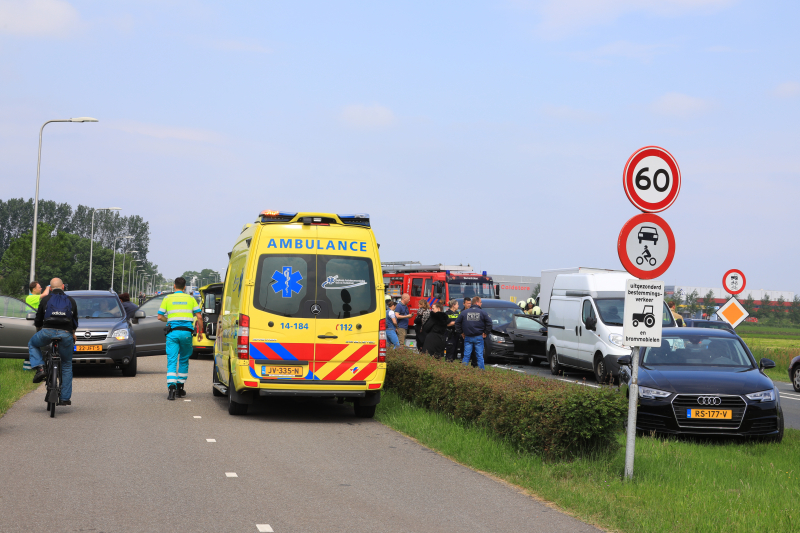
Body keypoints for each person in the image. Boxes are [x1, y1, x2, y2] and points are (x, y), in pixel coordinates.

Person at [28, 278, 78, 406]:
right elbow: (75, 321)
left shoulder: (45, 299)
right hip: (65, 334)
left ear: (50, 288)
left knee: (33, 344)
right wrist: (73, 334)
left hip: (47, 332)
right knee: (66, 364)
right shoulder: (71, 301)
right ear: (63, 287)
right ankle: (65, 398)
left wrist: (39, 329)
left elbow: (38, 319)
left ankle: (40, 368)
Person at [157, 277, 203, 400]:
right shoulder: (191, 298)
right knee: (184, 359)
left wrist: (170, 320)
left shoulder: (167, 298)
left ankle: (171, 388)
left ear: (174, 286)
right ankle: (180, 387)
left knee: (172, 360)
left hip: (172, 333)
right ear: (184, 287)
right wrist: (200, 332)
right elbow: (199, 316)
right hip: (187, 333)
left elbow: (159, 317)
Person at [455, 296, 492, 370]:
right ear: (477, 302)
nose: (481, 304)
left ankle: (463, 371)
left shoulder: (464, 312)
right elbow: (489, 323)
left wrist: (461, 332)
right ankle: (481, 371)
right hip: (479, 336)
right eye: (480, 302)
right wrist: (486, 332)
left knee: (466, 356)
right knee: (479, 356)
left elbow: (457, 323)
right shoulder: (483, 312)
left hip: (468, 337)